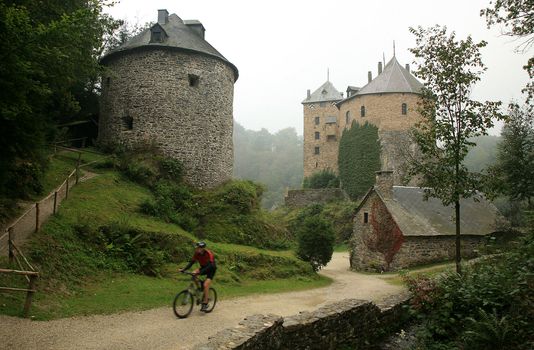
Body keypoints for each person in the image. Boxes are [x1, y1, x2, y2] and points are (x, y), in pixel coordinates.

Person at [180, 241, 216, 311]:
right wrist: (184, 269)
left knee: (206, 285)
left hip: (211, 269)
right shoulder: (197, 254)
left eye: (199, 248)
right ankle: (199, 289)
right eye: (197, 248)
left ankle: (205, 304)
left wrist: (200, 272)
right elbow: (191, 262)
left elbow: (211, 265)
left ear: (203, 248)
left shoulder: (208, 253)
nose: (197, 249)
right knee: (193, 273)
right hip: (203, 268)